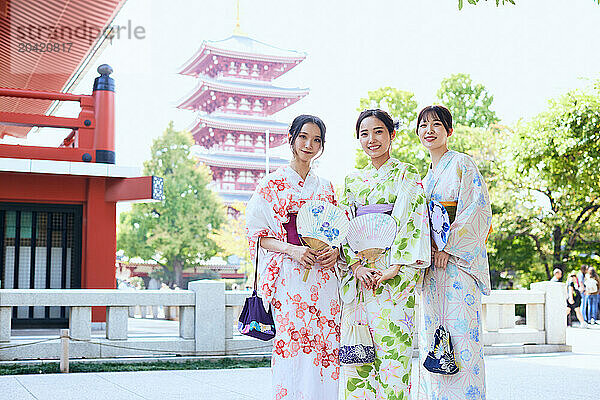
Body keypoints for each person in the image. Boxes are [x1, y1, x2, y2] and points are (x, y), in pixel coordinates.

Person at [246, 115, 341, 399]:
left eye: (316, 140)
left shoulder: (326, 187)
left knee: (326, 345)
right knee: (292, 345)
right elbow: (257, 234)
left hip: (323, 279)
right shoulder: (271, 184)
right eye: (303, 137)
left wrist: (334, 252)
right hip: (290, 277)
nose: (308, 145)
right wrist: (292, 249)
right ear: (291, 138)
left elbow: (338, 231)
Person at [339, 109, 430, 399]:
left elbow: (414, 220)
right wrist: (354, 267)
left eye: (378, 131)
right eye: (364, 134)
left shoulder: (406, 174)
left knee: (394, 359)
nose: (371, 139)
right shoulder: (352, 181)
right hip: (362, 278)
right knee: (359, 359)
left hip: (393, 277)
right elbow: (342, 224)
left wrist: (396, 267)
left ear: (392, 135)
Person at [415, 105, 492, 400]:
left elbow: (477, 208)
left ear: (449, 130)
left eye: (436, 124)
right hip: (432, 267)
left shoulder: (462, 164)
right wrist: (430, 249)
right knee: (434, 338)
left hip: (457, 264)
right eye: (423, 125)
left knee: (462, 338)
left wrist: (448, 246)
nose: (429, 130)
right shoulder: (425, 177)